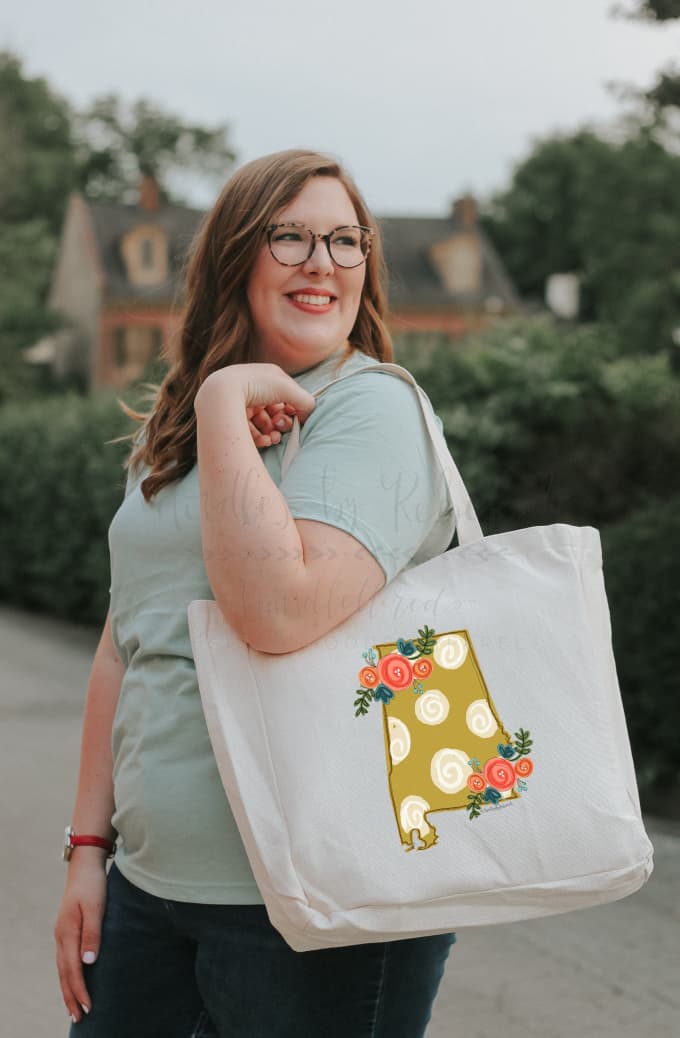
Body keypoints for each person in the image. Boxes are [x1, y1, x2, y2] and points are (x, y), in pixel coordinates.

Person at [54, 148, 457, 1038]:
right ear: (236, 255)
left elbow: (278, 612)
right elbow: (128, 642)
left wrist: (225, 398)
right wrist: (90, 853)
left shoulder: (372, 409)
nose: (323, 262)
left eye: (346, 240)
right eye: (291, 236)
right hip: (151, 892)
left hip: (313, 902)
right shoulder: (179, 424)